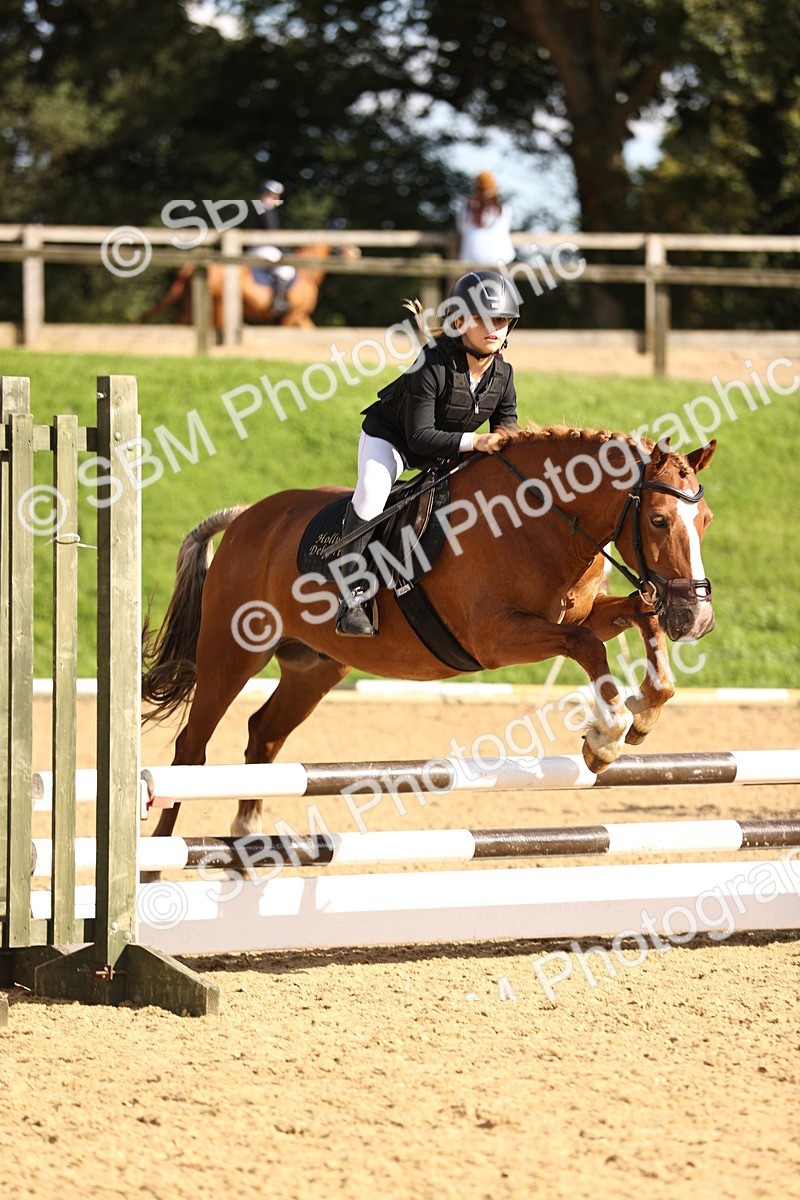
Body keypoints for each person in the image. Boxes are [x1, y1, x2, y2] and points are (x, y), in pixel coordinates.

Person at [334, 269, 522, 637]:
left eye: (501, 319)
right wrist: (475, 443)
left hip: (444, 453)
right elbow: (418, 436)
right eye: (481, 318)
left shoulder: (504, 374)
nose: (493, 328)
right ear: (458, 322)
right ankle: (351, 596)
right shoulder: (432, 363)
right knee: (372, 495)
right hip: (393, 440)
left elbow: (506, 434)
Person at [251, 179, 296, 316]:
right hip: (262, 248)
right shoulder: (263, 209)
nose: (274, 199)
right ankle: (277, 302)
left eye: (275, 196)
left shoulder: (265, 209)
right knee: (286, 270)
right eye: (271, 195)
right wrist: (283, 249)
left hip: (261, 247)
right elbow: (271, 234)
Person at [457, 171, 515, 266]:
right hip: (499, 261)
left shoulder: (466, 209)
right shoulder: (505, 210)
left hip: (472, 263)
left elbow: (461, 227)